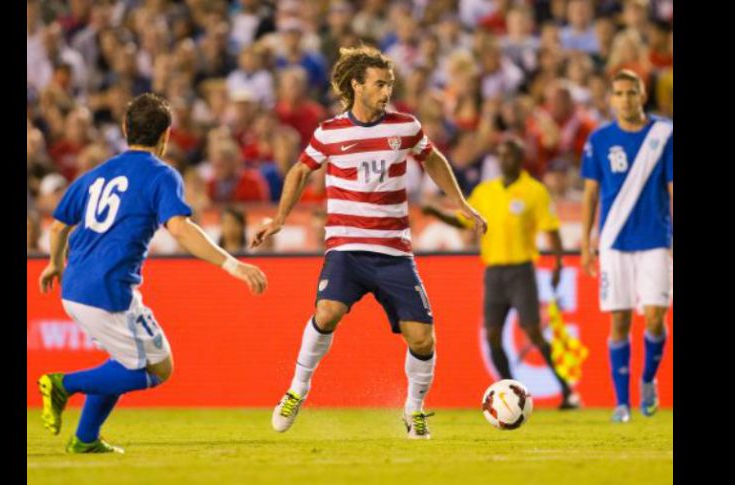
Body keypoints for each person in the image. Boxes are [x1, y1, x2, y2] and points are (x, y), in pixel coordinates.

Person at [251, 46, 487, 439]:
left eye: (390, 84)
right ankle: (297, 390)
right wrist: (279, 219)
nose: (386, 91)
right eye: (380, 84)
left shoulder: (405, 127)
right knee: (326, 312)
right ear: (356, 85)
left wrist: (460, 203)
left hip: (394, 252)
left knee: (423, 337)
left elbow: (432, 159)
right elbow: (299, 170)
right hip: (346, 247)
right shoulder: (329, 132)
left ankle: (414, 411)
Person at [37, 94, 268, 453]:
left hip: (74, 288)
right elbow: (179, 228)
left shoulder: (96, 174)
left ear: (126, 129)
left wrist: (53, 263)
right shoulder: (161, 175)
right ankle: (63, 384)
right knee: (158, 368)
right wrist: (233, 265)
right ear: (166, 136)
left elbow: (57, 227)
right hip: (109, 291)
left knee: (123, 361)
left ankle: (85, 438)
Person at [423, 137, 581, 410]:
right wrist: (437, 213)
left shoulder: (534, 191)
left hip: (521, 270)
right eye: (501, 156)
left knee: (533, 332)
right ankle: (511, 390)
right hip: (494, 272)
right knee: (493, 335)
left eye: (510, 156)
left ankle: (567, 390)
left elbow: (551, 229)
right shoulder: (486, 191)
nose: (504, 161)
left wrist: (557, 263)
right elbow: (465, 221)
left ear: (520, 159)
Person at [580, 70, 673, 423]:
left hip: (654, 238)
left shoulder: (664, 135)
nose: (625, 99)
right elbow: (590, 193)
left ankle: (648, 380)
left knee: (654, 318)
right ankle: (622, 403)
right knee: (618, 321)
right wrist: (587, 243)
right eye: (618, 93)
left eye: (631, 92)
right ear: (611, 99)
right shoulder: (600, 140)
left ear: (643, 94)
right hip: (614, 241)